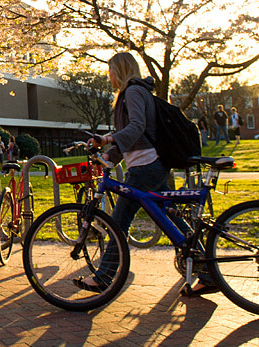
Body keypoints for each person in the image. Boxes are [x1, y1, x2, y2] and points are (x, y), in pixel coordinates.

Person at [76, 52, 217, 296]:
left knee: (119, 220)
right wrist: (111, 154)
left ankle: (105, 276)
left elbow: (137, 127)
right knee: (170, 216)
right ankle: (207, 272)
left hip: (145, 166)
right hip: (150, 164)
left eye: (110, 70)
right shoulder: (135, 92)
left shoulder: (132, 91)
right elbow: (134, 136)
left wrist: (107, 138)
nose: (108, 75)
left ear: (119, 70)